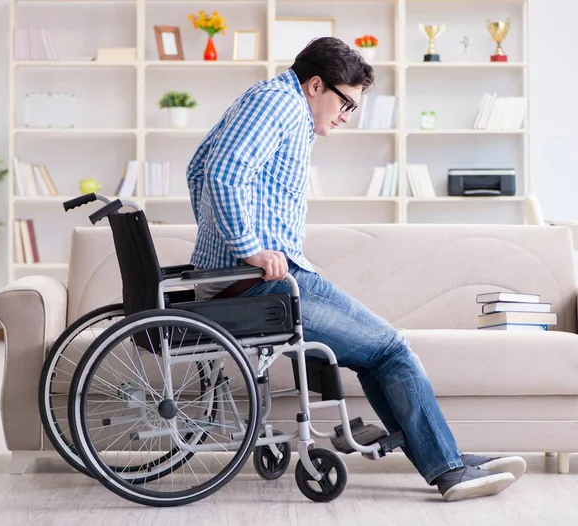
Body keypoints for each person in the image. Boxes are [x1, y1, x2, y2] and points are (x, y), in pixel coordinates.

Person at [186, 36, 527, 502]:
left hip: (254, 277)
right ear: (314, 85)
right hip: (260, 284)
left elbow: (196, 166)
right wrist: (246, 248)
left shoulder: (273, 102)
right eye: (345, 102)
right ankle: (448, 468)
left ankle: (445, 457)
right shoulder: (279, 104)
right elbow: (222, 172)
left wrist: (224, 242)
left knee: (377, 351)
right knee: (390, 348)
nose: (347, 116)